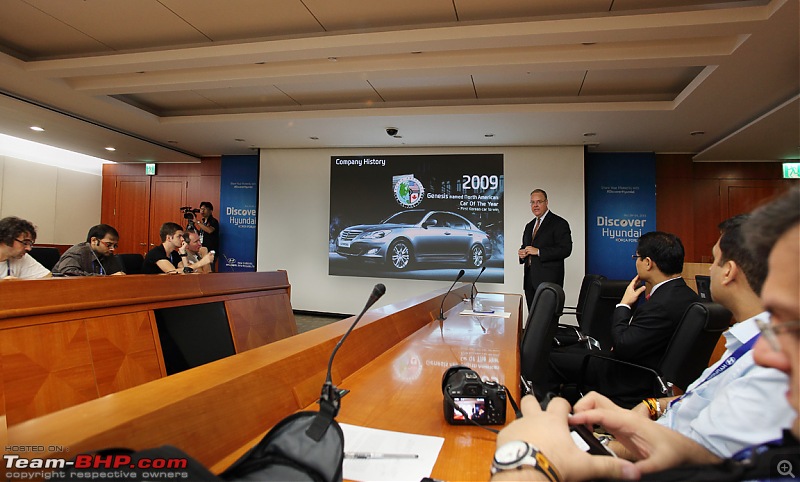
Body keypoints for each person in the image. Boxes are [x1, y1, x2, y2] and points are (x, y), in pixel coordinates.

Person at [489, 187, 800, 482]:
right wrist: (644, 416)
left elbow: (625, 347)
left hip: (625, 380)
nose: (764, 352)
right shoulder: (744, 357)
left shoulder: (761, 378)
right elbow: (698, 438)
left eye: (788, 325)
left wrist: (527, 461)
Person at [624, 215, 792, 458]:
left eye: (715, 260)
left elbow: (694, 453)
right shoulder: (744, 343)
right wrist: (653, 405)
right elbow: (705, 399)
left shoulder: (766, 363)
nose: (711, 268)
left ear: (729, 272)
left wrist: (601, 450)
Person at [545, 231, 699, 405]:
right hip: (645, 369)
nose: (636, 262)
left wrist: (624, 305)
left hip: (629, 376)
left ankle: (548, 417)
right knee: (568, 354)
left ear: (648, 263)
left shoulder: (661, 304)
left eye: (637, 257)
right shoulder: (688, 295)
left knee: (549, 359)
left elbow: (622, 345)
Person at [518, 189, 572, 309]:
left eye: (539, 202)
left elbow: (565, 249)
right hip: (530, 282)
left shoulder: (559, 223)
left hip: (549, 282)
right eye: (532, 202)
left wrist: (538, 252)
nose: (535, 205)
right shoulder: (529, 225)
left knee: (548, 322)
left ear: (546, 202)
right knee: (534, 320)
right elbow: (526, 246)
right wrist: (522, 253)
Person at [52, 224, 125, 276]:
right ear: (94, 240)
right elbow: (67, 272)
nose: (112, 249)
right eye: (108, 244)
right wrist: (105, 278)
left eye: (115, 245)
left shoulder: (107, 254)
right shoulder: (77, 252)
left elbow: (115, 273)